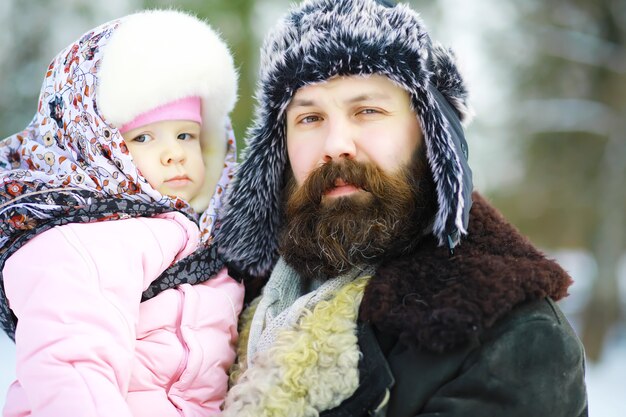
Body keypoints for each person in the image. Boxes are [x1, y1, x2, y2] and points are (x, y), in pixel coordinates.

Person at [215, 0, 589, 416]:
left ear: (430, 135)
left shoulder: (514, 339)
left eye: (368, 111)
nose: (336, 144)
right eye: (309, 118)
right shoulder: (215, 302)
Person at [0, 9, 243, 417]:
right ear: (97, 146)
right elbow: (73, 366)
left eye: (186, 134)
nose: (174, 152)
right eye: (144, 137)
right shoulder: (77, 243)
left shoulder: (213, 237)